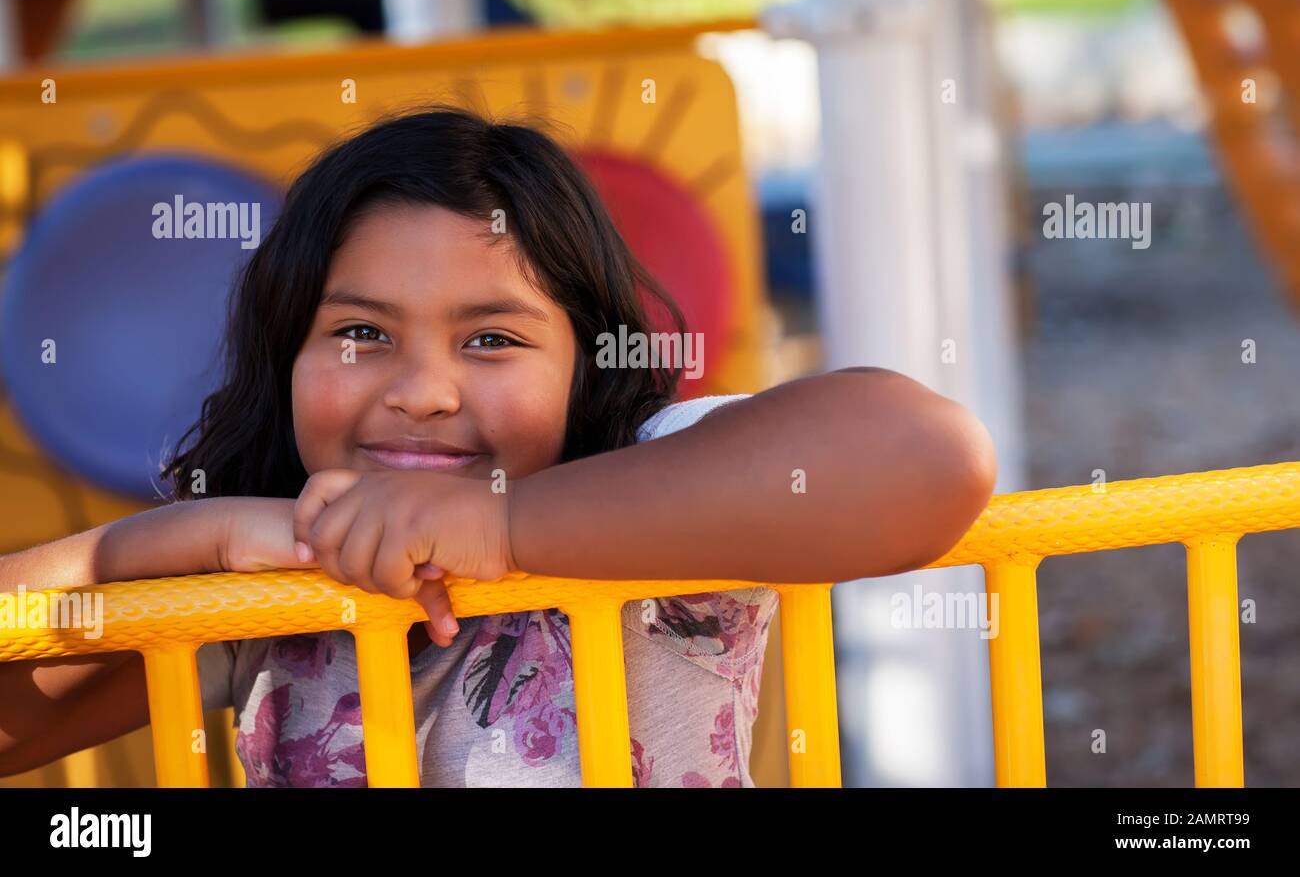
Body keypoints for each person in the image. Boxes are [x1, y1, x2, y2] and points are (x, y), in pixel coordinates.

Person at [0, 104, 997, 786]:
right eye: (359, 333)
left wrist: (502, 523)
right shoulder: (269, 582)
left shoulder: (655, 480)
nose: (423, 391)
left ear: (585, 360)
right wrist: (198, 539)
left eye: (492, 339)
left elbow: (929, 456)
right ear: (285, 353)